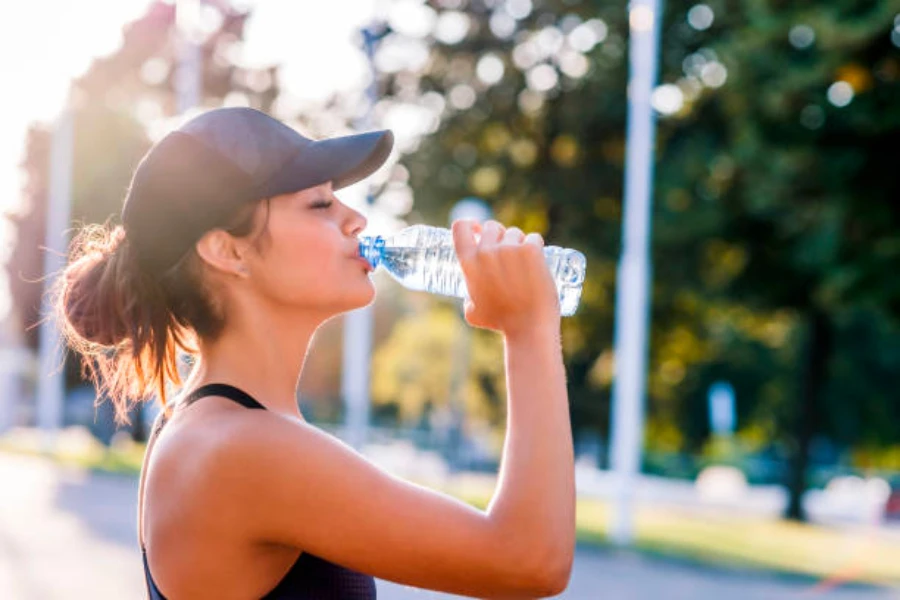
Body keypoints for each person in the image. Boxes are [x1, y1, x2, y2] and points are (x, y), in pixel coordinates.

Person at [55, 107, 575, 599]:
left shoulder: (220, 428)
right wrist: (528, 330)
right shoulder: (240, 449)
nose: (356, 221)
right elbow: (528, 560)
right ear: (227, 250)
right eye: (321, 204)